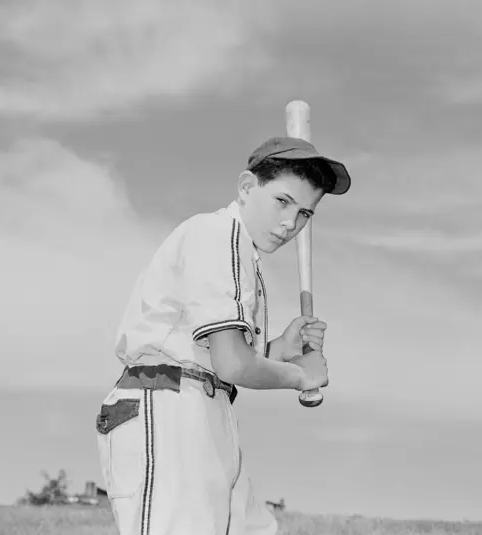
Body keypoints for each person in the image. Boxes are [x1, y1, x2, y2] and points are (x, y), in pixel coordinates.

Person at [95, 136, 351, 535]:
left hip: (206, 404)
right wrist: (301, 376)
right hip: (168, 403)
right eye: (282, 202)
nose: (291, 223)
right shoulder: (217, 234)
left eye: (304, 213)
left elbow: (214, 354)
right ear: (247, 187)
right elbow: (231, 363)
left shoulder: (241, 253)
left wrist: (277, 350)